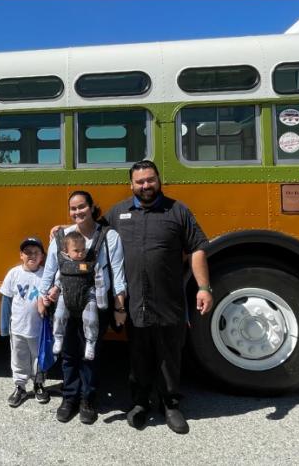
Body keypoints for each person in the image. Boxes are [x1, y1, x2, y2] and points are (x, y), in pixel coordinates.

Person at [106, 160, 212, 435]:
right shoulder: (118, 213)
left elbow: (197, 248)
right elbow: (93, 236)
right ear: (131, 185)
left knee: (169, 355)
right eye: (140, 182)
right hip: (134, 301)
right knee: (138, 355)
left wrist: (204, 287)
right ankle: (140, 403)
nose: (145, 186)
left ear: (158, 180)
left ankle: (171, 405)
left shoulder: (177, 211)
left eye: (150, 180)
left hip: (169, 301)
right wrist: (62, 231)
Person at [38, 190, 126, 425]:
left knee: (90, 353)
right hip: (66, 302)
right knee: (68, 353)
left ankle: (88, 399)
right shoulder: (61, 237)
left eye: (82, 207)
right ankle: (69, 398)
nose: (77, 212)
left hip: (95, 304)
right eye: (73, 208)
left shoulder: (109, 237)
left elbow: (117, 274)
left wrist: (119, 307)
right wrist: (42, 296)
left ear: (91, 207)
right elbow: (50, 270)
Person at [0, 236, 48, 408]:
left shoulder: (46, 275)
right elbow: (6, 301)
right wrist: (5, 326)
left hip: (38, 328)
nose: (31, 256)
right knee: (19, 358)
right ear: (21, 255)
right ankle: (20, 386)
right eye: (27, 252)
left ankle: (39, 384)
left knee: (38, 358)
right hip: (18, 327)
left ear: (42, 256)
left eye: (36, 252)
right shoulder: (14, 274)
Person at [50, 230, 100, 361]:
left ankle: (90, 342)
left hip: (87, 294)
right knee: (59, 315)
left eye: (83, 250)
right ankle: (58, 338)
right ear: (66, 251)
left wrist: (101, 296)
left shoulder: (90, 262)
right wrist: (55, 289)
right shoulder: (63, 263)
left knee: (91, 319)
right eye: (76, 250)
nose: (81, 253)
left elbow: (99, 278)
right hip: (66, 294)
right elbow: (58, 279)